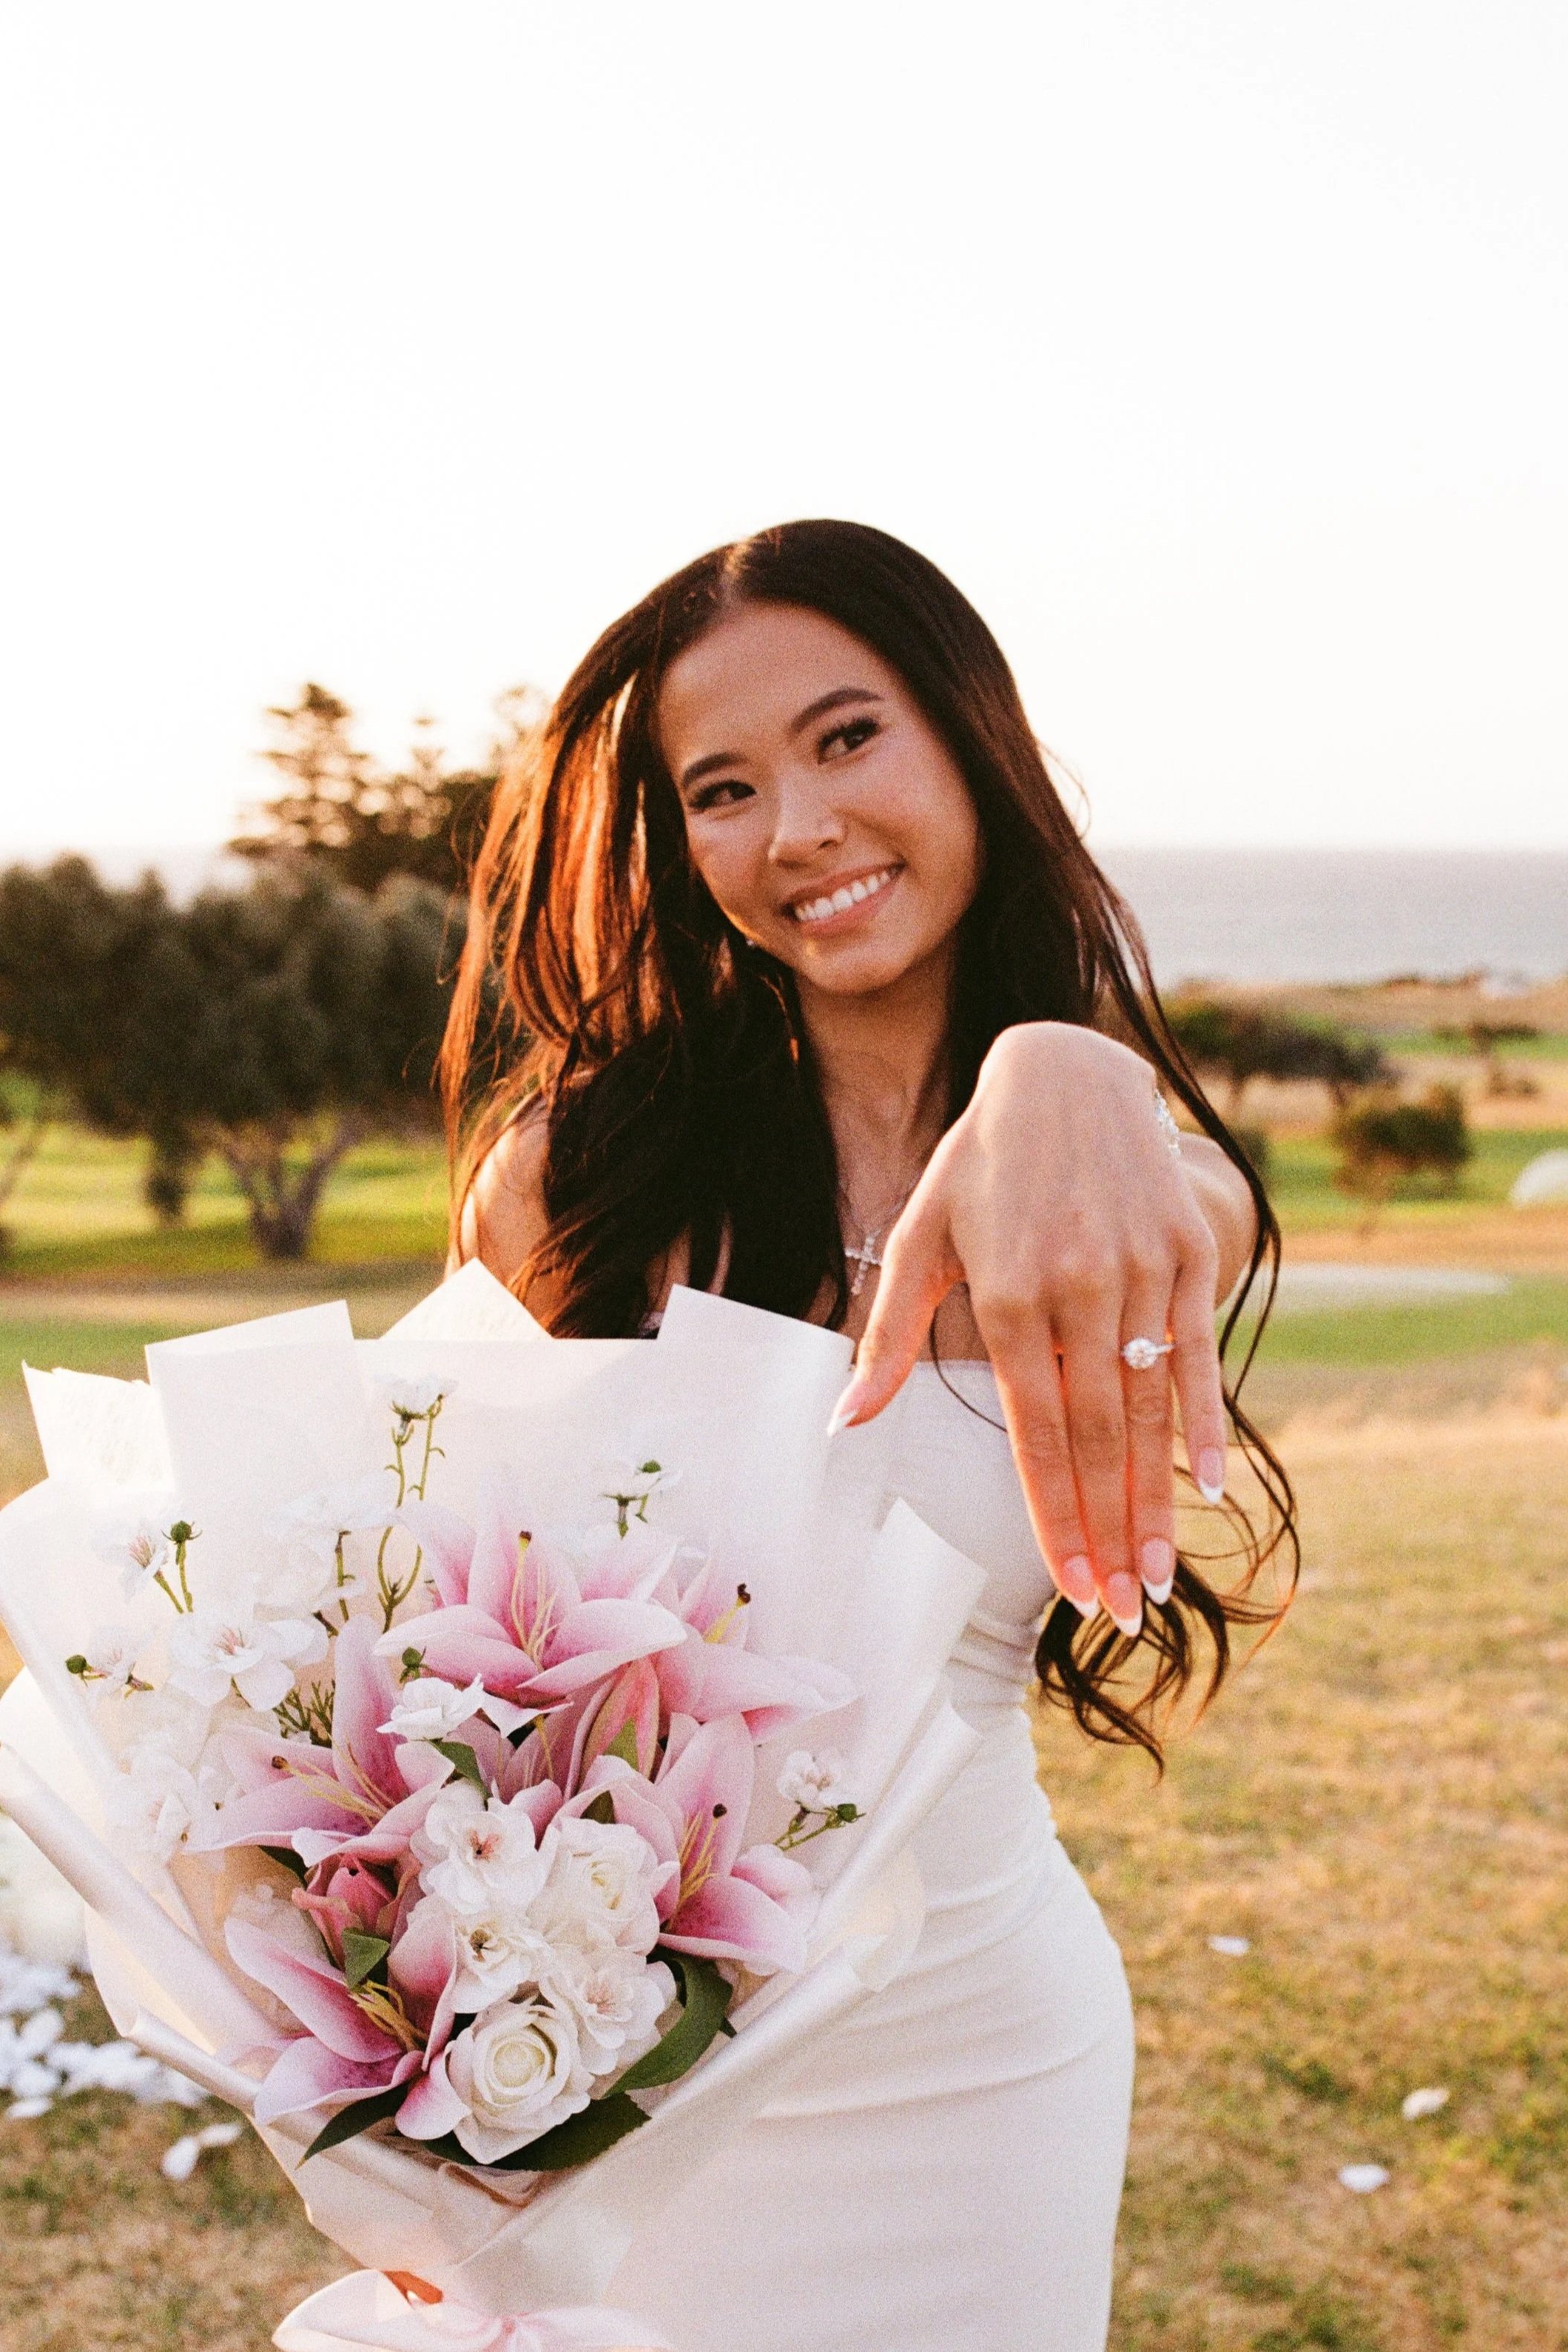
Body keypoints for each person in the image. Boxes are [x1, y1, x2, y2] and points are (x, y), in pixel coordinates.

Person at [442, 520, 1295, 2351]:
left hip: (981, 2045)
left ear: (968, 742)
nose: (798, 829)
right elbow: (429, 1646)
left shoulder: (1131, 1196)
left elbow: (1174, 1201)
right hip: (615, 2065)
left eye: (849, 740)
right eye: (724, 788)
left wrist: (1065, 1061)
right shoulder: (566, 1188)